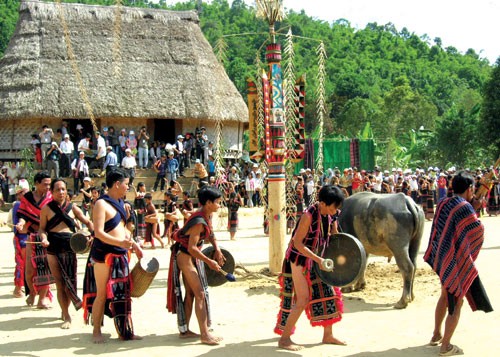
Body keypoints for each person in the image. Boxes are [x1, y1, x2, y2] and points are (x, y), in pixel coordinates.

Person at [424, 170, 492, 356]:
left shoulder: (445, 202)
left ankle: (436, 334)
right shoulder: (465, 208)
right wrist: (476, 210)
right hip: (454, 261)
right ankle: (445, 346)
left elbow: (448, 228)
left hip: (442, 257)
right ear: (470, 188)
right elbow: (476, 231)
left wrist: (473, 208)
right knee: (457, 301)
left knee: (445, 296)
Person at [275, 185, 346, 351]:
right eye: (333, 207)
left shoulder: (331, 215)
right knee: (303, 299)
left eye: (337, 207)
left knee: (331, 293)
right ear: (322, 203)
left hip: (318, 258)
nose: (335, 211)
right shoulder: (308, 215)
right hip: (299, 259)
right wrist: (318, 259)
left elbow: (334, 238)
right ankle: (284, 340)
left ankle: (328, 335)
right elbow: (297, 244)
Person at [82, 169, 143, 343]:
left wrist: (135, 245)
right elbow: (99, 233)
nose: (128, 187)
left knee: (123, 293)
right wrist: (119, 243)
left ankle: (124, 331)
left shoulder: (120, 202)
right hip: (103, 254)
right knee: (102, 293)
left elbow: (123, 229)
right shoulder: (101, 204)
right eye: (126, 183)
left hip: (121, 252)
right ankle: (96, 332)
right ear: (117, 184)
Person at [167, 186, 226, 345]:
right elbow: (192, 248)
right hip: (185, 257)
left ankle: (185, 331)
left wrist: (217, 249)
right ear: (208, 203)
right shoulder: (199, 221)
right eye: (217, 202)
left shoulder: (207, 216)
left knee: (192, 294)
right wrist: (210, 261)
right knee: (200, 293)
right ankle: (205, 335)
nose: (219, 205)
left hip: (190, 256)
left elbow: (211, 234)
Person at [39, 178, 93, 329]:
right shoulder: (46, 209)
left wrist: (93, 233)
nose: (61, 192)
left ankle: (65, 309)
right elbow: (42, 229)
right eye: (57, 190)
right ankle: (66, 314)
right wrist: (43, 238)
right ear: (52, 192)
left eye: (63, 189)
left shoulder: (73, 208)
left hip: (70, 246)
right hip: (53, 247)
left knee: (70, 281)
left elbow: (87, 222)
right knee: (60, 282)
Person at [15, 171, 53, 308]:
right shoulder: (28, 198)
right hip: (31, 236)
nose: (48, 187)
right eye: (45, 184)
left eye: (49, 184)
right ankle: (32, 292)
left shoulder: (51, 197)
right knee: (30, 269)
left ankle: (42, 298)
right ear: (36, 184)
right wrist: (21, 223)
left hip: (47, 237)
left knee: (45, 268)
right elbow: (23, 214)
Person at [11, 183, 30, 297]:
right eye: (23, 192)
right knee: (21, 263)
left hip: (30, 236)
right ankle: (19, 287)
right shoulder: (18, 205)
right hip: (22, 238)